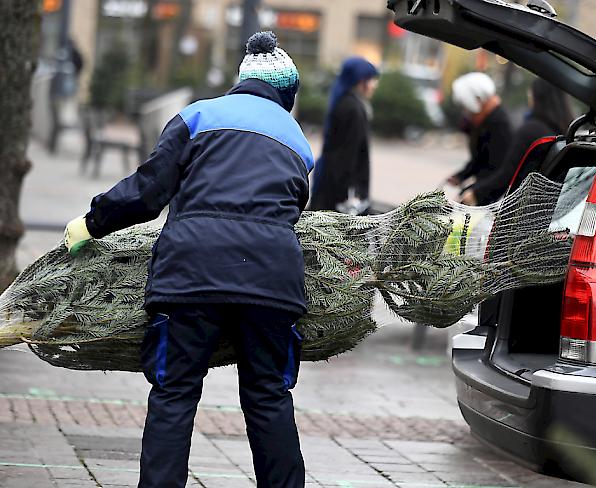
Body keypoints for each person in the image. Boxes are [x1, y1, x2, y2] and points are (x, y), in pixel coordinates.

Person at [63, 32, 312, 488]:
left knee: (174, 394)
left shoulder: (197, 116)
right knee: (269, 396)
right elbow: (292, 210)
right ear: (286, 95)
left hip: (192, 274)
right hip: (272, 283)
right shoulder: (297, 141)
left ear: (242, 82)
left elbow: (147, 191)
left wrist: (92, 222)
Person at [460, 78, 573, 205]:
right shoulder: (565, 133)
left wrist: (476, 193)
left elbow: (507, 174)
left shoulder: (530, 130)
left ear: (537, 96)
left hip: (519, 208)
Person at [309, 57, 379, 214]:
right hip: (339, 193)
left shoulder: (344, 102)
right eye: (371, 79)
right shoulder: (353, 109)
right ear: (360, 81)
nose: (374, 85)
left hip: (328, 183)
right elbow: (348, 156)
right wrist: (351, 193)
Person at [447, 72, 513, 206]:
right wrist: (461, 175)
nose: (466, 114)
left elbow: (500, 170)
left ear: (477, 101)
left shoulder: (499, 125)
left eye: (466, 108)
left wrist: (477, 193)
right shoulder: (490, 121)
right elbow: (480, 159)